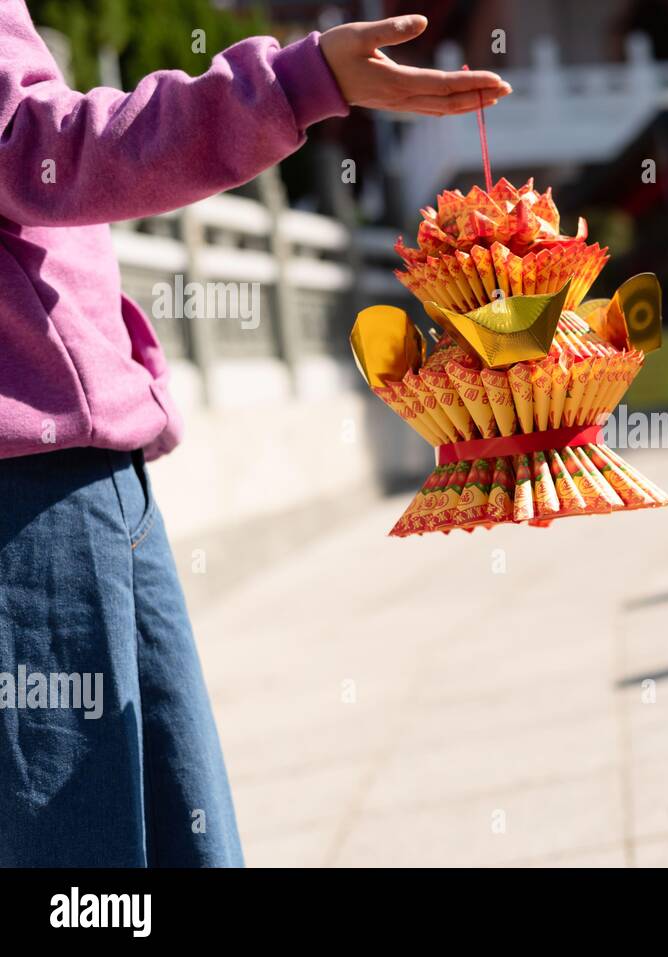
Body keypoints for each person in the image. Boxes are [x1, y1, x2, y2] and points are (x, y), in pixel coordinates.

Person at [0, 3, 510, 866]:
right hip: (35, 502)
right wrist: (292, 85)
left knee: (176, 839)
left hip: (84, 470)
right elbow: (36, 148)